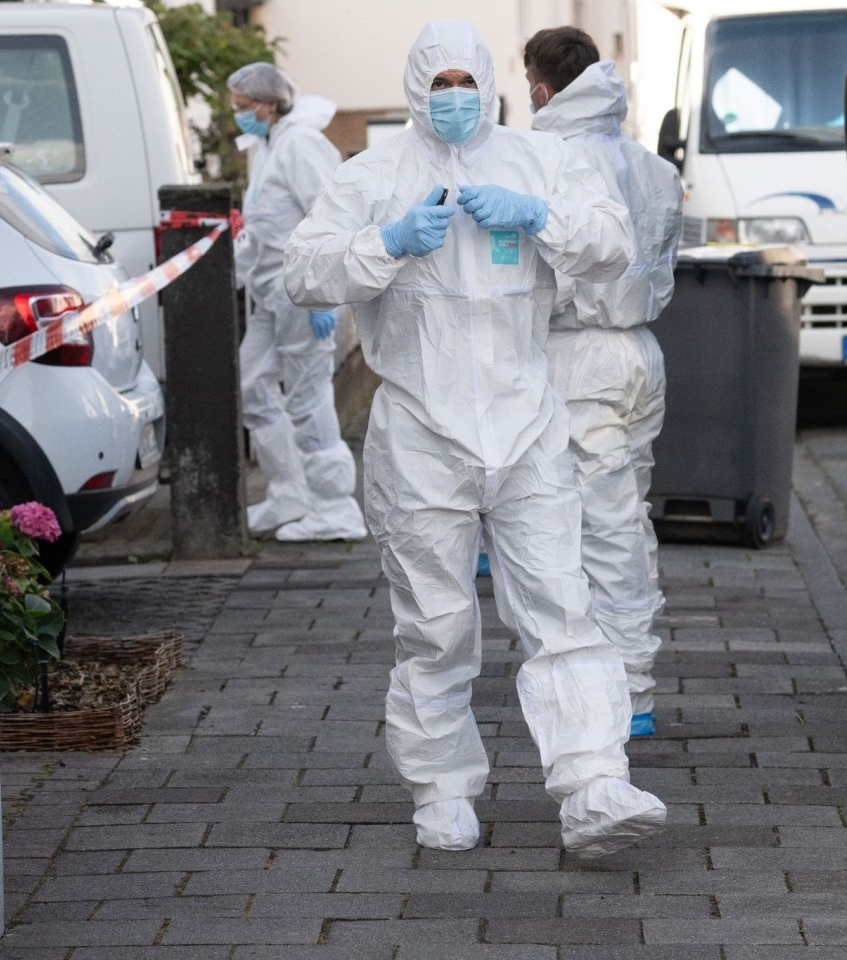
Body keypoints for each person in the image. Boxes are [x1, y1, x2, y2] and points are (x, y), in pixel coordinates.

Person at [284, 20, 666, 857]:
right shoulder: (374, 174)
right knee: (436, 622)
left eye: (468, 79)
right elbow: (301, 270)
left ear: (491, 82)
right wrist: (382, 243)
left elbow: (613, 244)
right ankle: (441, 785)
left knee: (563, 605)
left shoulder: (539, 161)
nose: (454, 95)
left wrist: (541, 217)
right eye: (440, 80)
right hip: (421, 427)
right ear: (417, 84)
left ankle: (594, 781)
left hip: (527, 419)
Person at [527, 27, 684, 739]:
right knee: (629, 519)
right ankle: (632, 680)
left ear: (539, 87)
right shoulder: (652, 166)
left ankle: (624, 694)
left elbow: (543, 278)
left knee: (600, 531)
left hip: (578, 359)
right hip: (641, 355)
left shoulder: (552, 161)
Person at [227, 62, 367, 542]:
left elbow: (333, 214)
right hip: (271, 295)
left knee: (308, 397)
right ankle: (291, 493)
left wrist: (326, 296)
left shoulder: (301, 144)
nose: (238, 115)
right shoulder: (267, 147)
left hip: (304, 295)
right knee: (251, 386)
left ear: (269, 104)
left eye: (244, 107)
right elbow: (264, 228)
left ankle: (335, 507)